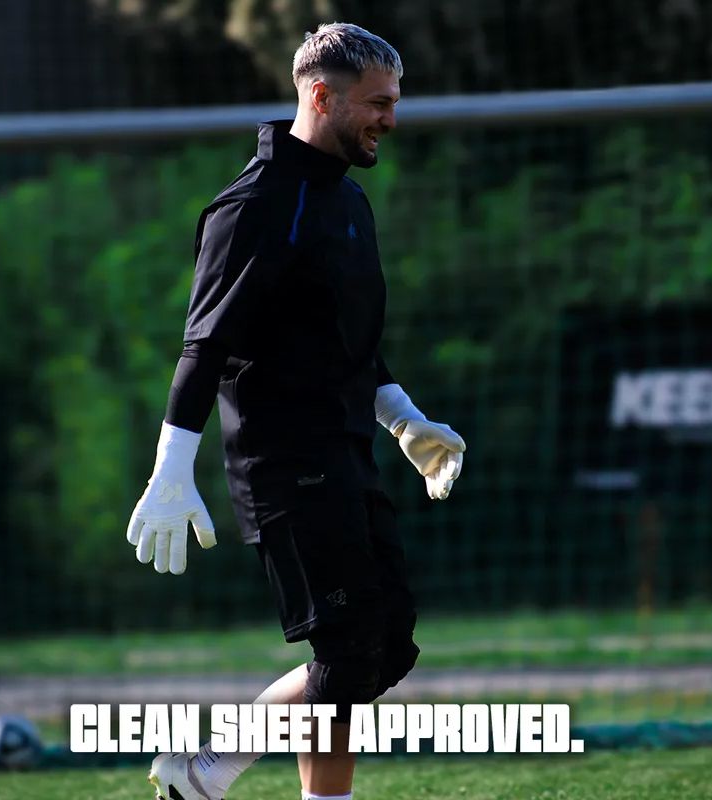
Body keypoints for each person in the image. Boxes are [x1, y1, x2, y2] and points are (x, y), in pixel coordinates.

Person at [125, 22, 465, 800]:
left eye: (395, 102)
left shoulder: (347, 201)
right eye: (378, 103)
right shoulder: (253, 206)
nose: (390, 118)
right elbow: (204, 347)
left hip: (345, 454)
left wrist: (403, 418)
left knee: (386, 650)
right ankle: (221, 777)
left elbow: (345, 342)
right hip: (284, 465)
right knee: (347, 653)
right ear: (321, 95)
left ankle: (202, 773)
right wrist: (171, 469)